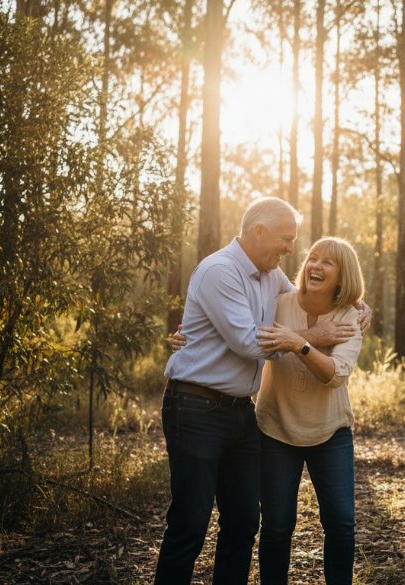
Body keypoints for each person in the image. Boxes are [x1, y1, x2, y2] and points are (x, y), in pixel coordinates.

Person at [155, 198, 358, 585]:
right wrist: (313, 337)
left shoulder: (270, 274)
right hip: (195, 407)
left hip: (240, 413)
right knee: (191, 522)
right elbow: (250, 343)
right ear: (259, 232)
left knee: (244, 521)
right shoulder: (220, 270)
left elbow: (309, 295)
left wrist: (355, 304)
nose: (290, 249)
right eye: (286, 239)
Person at [253, 237, 365, 585]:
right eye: (313, 258)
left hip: (330, 432)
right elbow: (241, 331)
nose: (315, 266)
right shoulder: (278, 303)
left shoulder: (350, 317)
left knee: (341, 523)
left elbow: (336, 376)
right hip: (275, 429)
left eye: (327, 262)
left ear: (342, 275)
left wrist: (300, 343)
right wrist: (189, 335)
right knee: (276, 524)